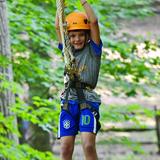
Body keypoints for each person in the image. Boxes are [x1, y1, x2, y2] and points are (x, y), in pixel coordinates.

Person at [55, 0, 103, 159]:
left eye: (81, 34)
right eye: (73, 35)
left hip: (88, 101)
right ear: (69, 37)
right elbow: (58, 27)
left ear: (87, 35)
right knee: (65, 148)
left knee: (88, 145)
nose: (77, 39)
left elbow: (94, 22)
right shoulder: (67, 51)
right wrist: (60, 6)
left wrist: (83, 2)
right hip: (69, 101)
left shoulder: (93, 51)